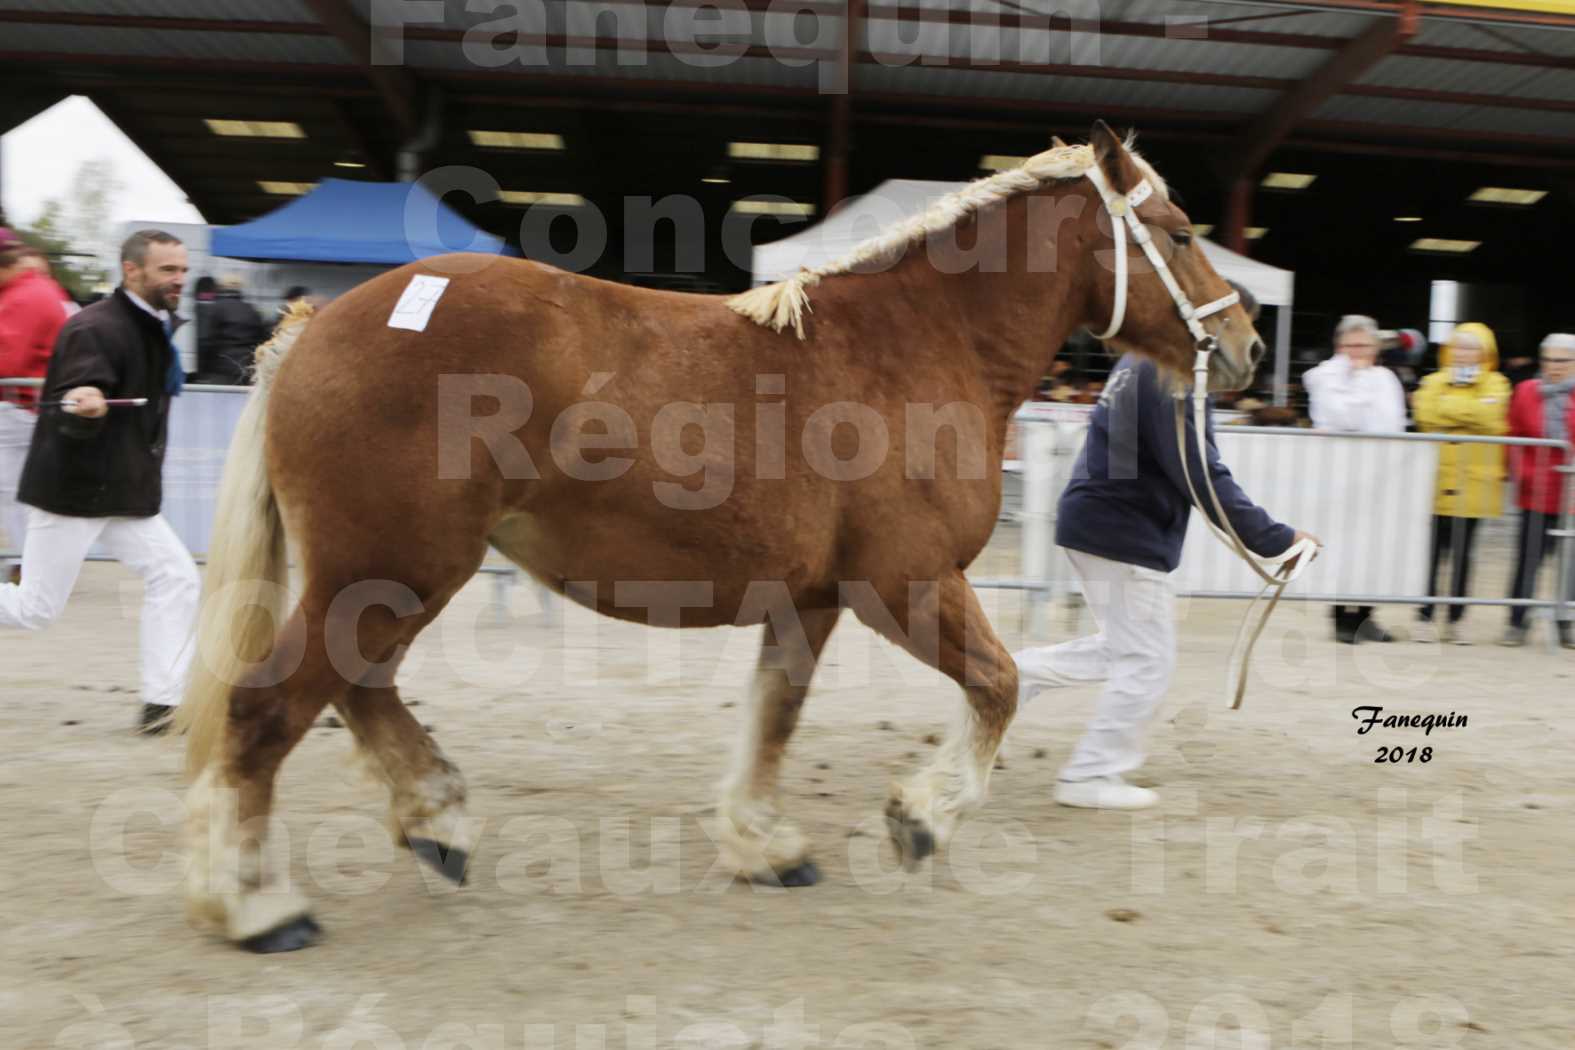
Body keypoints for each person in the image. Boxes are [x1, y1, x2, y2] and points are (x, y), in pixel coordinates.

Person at [1013, 353, 1318, 810]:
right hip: (1123, 529)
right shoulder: (1170, 374)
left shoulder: (1138, 361)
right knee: (1148, 661)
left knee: (1123, 648)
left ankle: (1010, 676)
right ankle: (1090, 774)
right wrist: (1276, 540)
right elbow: (1200, 471)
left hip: (1099, 521)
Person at [0, 229, 202, 734]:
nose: (179, 278)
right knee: (35, 610)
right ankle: (163, 700)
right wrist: (83, 404)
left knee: (177, 577)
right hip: (74, 491)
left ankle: (163, 703)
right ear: (132, 271)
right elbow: (78, 387)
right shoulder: (95, 329)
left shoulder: (153, 324)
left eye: (181, 268)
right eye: (167, 270)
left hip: (123, 491)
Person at [1301, 314, 1408, 643]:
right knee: (1341, 543)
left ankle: (1366, 615)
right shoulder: (1323, 375)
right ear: (1339, 346)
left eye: (1364, 345)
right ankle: (1340, 617)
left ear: (1376, 347)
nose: (1358, 351)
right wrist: (1360, 385)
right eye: (1351, 345)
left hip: (1378, 473)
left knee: (1374, 546)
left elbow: (1391, 421)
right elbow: (1341, 417)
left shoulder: (1386, 378)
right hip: (1338, 474)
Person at [1412, 322, 1511, 644]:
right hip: (1435, 482)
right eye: (1459, 346)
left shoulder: (1498, 384)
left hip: (1474, 485)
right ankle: (1424, 616)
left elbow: (1493, 420)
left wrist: (1450, 408)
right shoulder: (1432, 381)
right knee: (1430, 554)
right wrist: (1470, 410)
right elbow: (1426, 416)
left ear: (1486, 353)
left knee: (1464, 554)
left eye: (1472, 348)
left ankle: (1456, 619)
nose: (1464, 353)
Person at [0, 230, 74, 585]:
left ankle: (30, 566)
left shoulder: (23, 298)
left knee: (11, 491)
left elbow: (8, 361)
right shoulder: (34, 290)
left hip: (19, 408)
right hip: (29, 407)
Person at [1503, 332, 1575, 649]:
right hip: (1535, 490)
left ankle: (1566, 623)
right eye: (1549, 360)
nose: (1554, 367)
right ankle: (1517, 622)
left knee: (1571, 564)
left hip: (1572, 493)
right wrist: (1521, 474)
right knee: (1528, 560)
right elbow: (1514, 434)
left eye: (1562, 361)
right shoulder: (1526, 391)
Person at [197, 274, 268, 385]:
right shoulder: (252, 310)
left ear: (221, 288)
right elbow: (263, 341)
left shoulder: (215, 308)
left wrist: (202, 371)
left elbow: (206, 342)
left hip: (220, 371)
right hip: (247, 370)